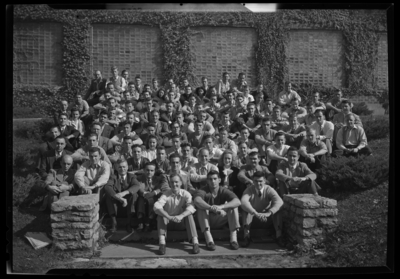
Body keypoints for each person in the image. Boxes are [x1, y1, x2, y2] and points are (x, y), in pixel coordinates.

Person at [193, 170, 241, 251]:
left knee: (233, 206)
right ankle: (209, 240)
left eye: (215, 179)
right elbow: (197, 200)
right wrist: (211, 208)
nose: (213, 181)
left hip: (220, 218)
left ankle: (233, 239)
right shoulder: (203, 190)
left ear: (219, 180)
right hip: (205, 220)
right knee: (201, 208)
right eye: (210, 179)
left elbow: (238, 201)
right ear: (207, 181)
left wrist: (221, 207)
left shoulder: (223, 190)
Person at [153, 173, 200, 255]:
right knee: (160, 215)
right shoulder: (165, 194)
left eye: (176, 182)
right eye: (172, 182)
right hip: (168, 223)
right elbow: (156, 206)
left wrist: (181, 216)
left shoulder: (186, 194)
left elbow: (192, 207)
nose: (174, 184)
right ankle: (162, 244)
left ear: (181, 183)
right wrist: (168, 216)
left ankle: (195, 243)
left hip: (181, 222)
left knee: (189, 215)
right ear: (169, 183)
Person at [240, 171, 284, 247]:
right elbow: (243, 202)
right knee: (245, 209)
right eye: (256, 181)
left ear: (264, 181)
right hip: (253, 219)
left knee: (277, 208)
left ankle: (279, 236)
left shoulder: (269, 189)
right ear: (253, 181)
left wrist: (269, 213)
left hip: (267, 218)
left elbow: (279, 202)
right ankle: (246, 236)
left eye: (260, 181)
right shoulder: (249, 190)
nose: (258, 183)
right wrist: (255, 213)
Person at [104, 159, 141, 233]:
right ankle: (114, 223)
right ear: (116, 168)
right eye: (120, 167)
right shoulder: (113, 176)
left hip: (128, 204)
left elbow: (137, 185)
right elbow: (107, 187)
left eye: (124, 167)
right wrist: (120, 198)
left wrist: (124, 193)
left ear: (127, 167)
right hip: (116, 203)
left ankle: (129, 223)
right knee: (108, 196)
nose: (122, 169)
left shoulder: (131, 176)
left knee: (134, 195)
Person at [135, 162, 170, 232]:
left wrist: (153, 193)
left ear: (155, 171)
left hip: (154, 198)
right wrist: (144, 193)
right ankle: (140, 222)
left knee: (154, 200)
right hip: (143, 197)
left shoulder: (158, 179)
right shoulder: (139, 178)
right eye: (147, 170)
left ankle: (149, 222)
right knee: (140, 199)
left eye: (151, 171)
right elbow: (139, 188)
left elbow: (162, 188)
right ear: (144, 170)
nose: (149, 172)